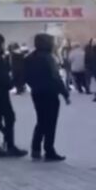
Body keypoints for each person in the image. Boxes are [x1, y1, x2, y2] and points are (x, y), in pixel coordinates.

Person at [25, 33, 70, 161]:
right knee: (50, 122)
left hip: (37, 93)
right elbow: (56, 77)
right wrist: (64, 93)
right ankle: (49, 149)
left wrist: (34, 85)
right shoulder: (48, 58)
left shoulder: (29, 58)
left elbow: (26, 76)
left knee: (41, 121)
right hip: (50, 93)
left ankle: (35, 148)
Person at [0, 33, 28, 158]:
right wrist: (11, 83)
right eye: (2, 43)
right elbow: (2, 77)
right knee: (9, 117)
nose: (3, 45)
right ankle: (9, 145)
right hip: (0, 93)